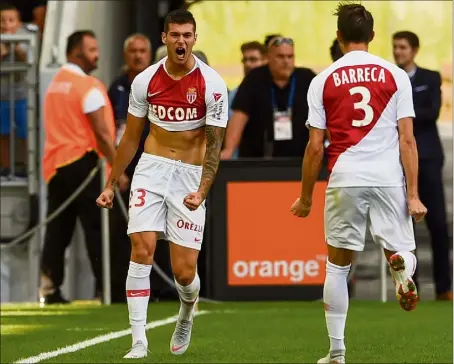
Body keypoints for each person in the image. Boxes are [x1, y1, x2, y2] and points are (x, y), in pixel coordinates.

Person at [290, 4, 427, 364]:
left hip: (345, 176)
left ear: (338, 37)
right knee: (402, 250)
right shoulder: (396, 75)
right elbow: (407, 140)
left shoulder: (322, 80)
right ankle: (402, 267)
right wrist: (413, 194)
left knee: (337, 265)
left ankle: (336, 352)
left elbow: (314, 148)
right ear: (373, 36)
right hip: (386, 177)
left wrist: (305, 197)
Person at [96, 9, 227, 358]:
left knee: (184, 273)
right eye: (175, 35)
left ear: (194, 39)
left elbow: (215, 145)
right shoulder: (145, 81)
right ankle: (138, 340)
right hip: (152, 169)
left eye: (187, 35)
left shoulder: (212, 84)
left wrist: (203, 189)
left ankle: (186, 311)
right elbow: (131, 138)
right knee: (141, 250)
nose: (181, 41)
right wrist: (111, 183)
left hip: (189, 175)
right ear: (165, 39)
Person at [39, 30, 128, 304]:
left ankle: (49, 287)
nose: (97, 55)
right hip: (84, 163)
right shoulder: (87, 86)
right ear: (76, 52)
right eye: (92, 50)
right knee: (97, 228)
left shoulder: (55, 85)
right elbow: (102, 133)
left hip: (55, 166)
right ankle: (107, 289)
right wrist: (117, 167)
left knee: (58, 230)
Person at [392, 30, 452, 301]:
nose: (398, 52)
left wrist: (404, 115)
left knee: (437, 223)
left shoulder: (429, 78)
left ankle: (444, 287)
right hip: (399, 158)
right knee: (406, 228)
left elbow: (432, 111)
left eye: (403, 47)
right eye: (395, 47)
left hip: (427, 156)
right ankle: (409, 285)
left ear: (414, 50)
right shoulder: (391, 78)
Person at [221, 36, 316, 159]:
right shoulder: (254, 79)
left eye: (290, 56)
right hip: (259, 161)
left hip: (301, 160)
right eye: (280, 57)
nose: (286, 61)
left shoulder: (307, 78)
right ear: (269, 58)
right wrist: (229, 150)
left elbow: (324, 114)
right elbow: (239, 116)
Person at [0, 2, 33, 178]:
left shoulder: (25, 36)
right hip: (2, 96)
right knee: (2, 134)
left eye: (11, 20)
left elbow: (27, 58)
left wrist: (14, 45)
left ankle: (28, 167)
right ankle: (5, 167)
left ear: (18, 22)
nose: (7, 25)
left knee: (24, 133)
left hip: (21, 95)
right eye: (3, 21)